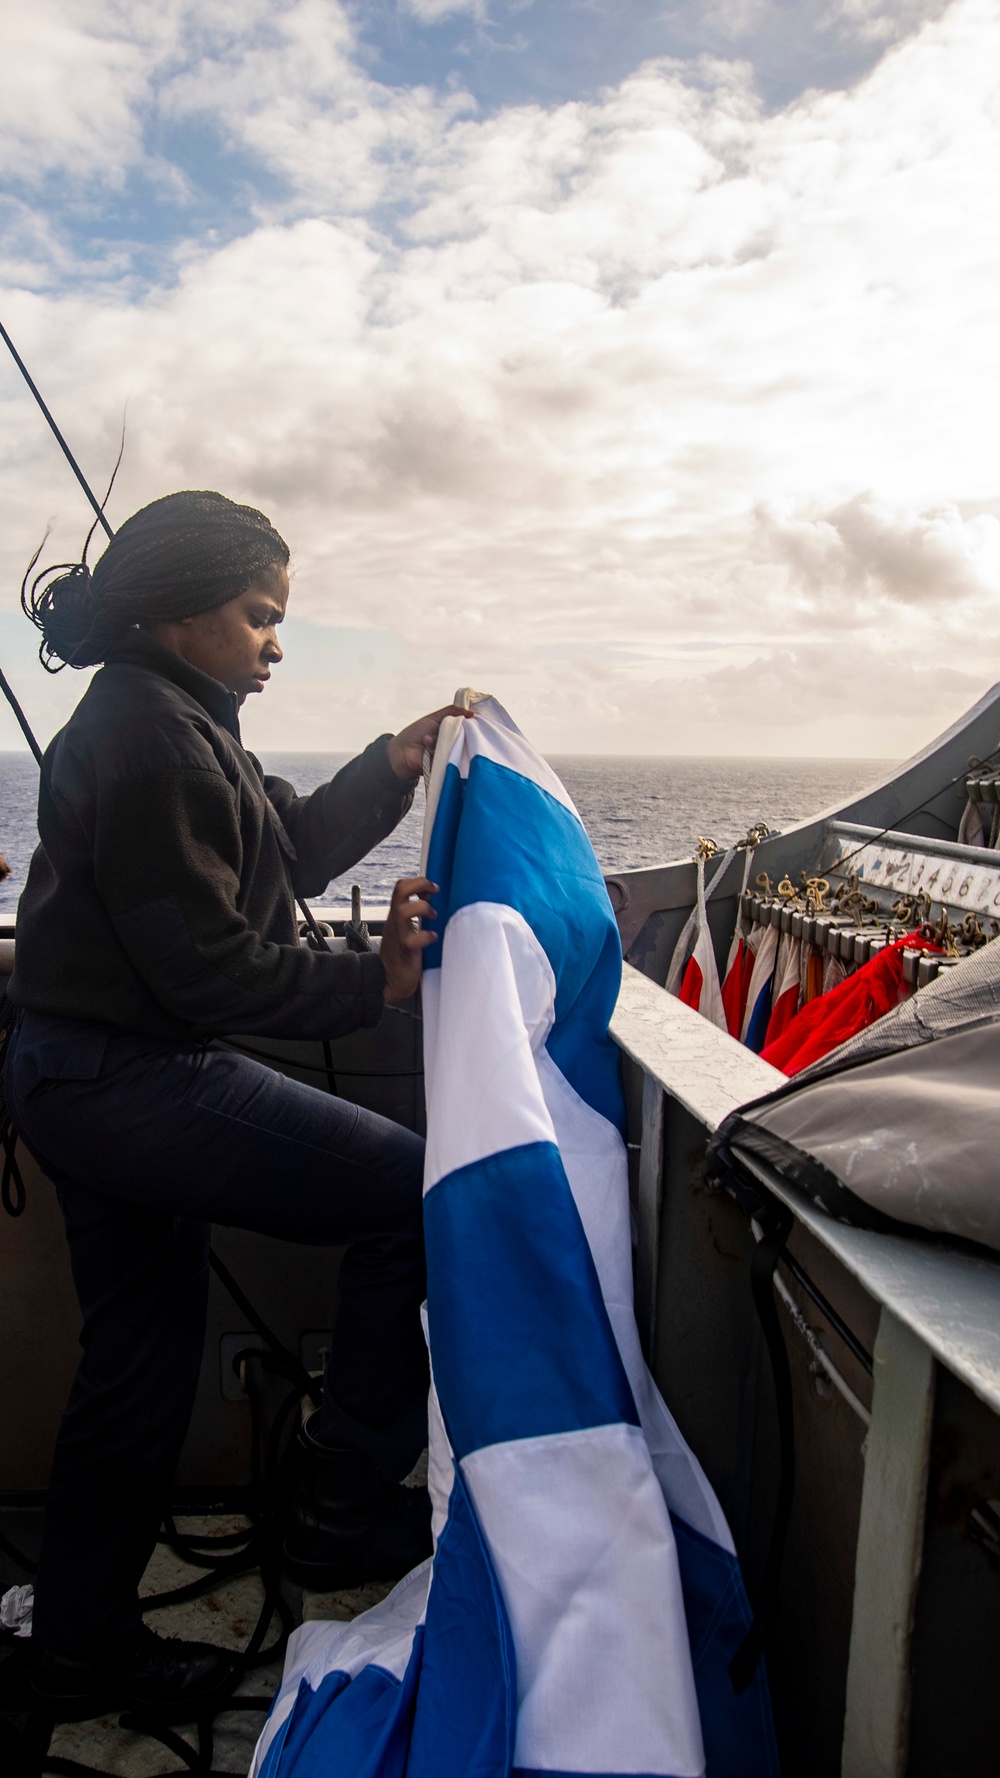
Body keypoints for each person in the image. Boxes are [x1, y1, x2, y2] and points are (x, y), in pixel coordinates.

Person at [2, 489, 468, 1721]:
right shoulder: (152, 738)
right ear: (176, 613)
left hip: (81, 1075)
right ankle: (344, 1505)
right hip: (125, 1079)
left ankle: (81, 1644)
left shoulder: (173, 718)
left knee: (139, 1369)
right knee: (408, 1190)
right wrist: (369, 981)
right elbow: (203, 968)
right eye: (261, 617)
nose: (275, 642)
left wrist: (390, 763)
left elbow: (287, 854)